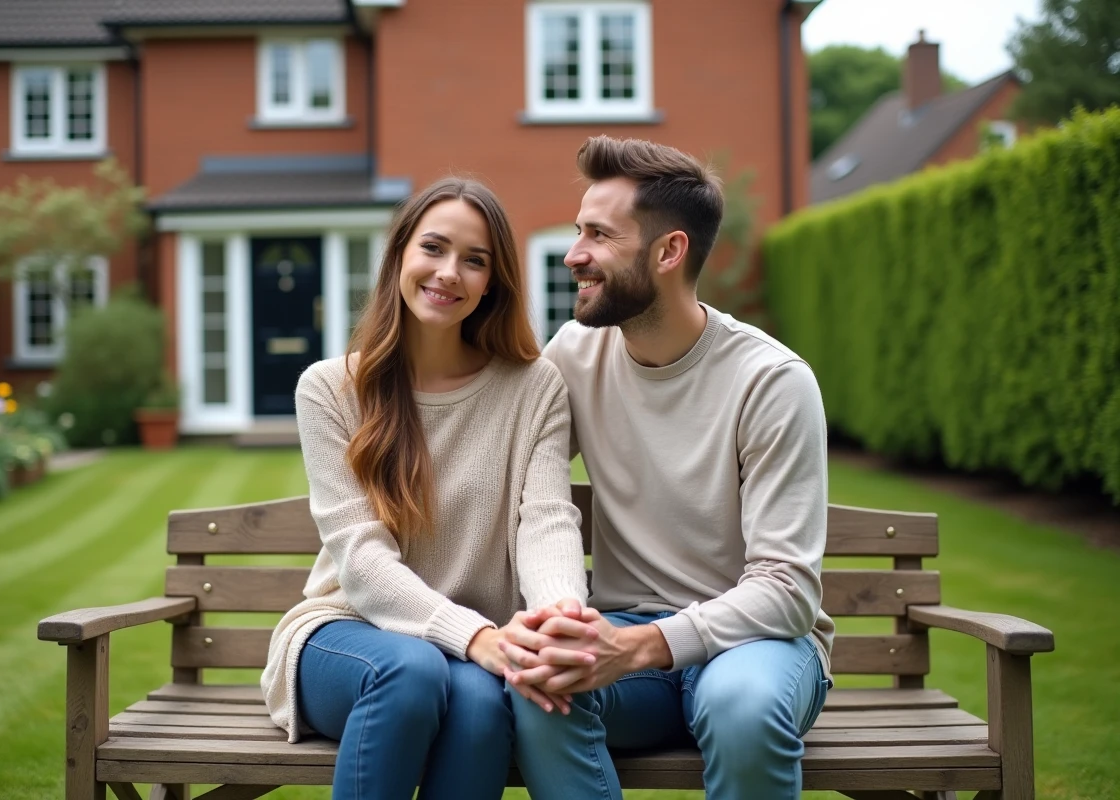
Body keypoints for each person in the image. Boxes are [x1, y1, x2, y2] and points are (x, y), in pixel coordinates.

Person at [499, 136, 837, 799]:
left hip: (756, 646)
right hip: (626, 641)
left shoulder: (770, 381)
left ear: (668, 251)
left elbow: (788, 590)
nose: (574, 255)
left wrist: (646, 645)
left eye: (597, 235)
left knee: (743, 709)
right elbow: (511, 477)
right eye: (577, 233)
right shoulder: (576, 354)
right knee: (542, 685)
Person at [261, 177, 591, 800]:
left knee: (478, 701)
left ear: (494, 281)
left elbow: (547, 519)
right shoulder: (330, 389)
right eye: (433, 249)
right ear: (399, 257)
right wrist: (477, 637)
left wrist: (555, 620)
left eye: (475, 260)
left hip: (476, 655)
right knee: (412, 670)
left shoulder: (534, 387)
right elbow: (360, 560)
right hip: (346, 634)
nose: (449, 273)